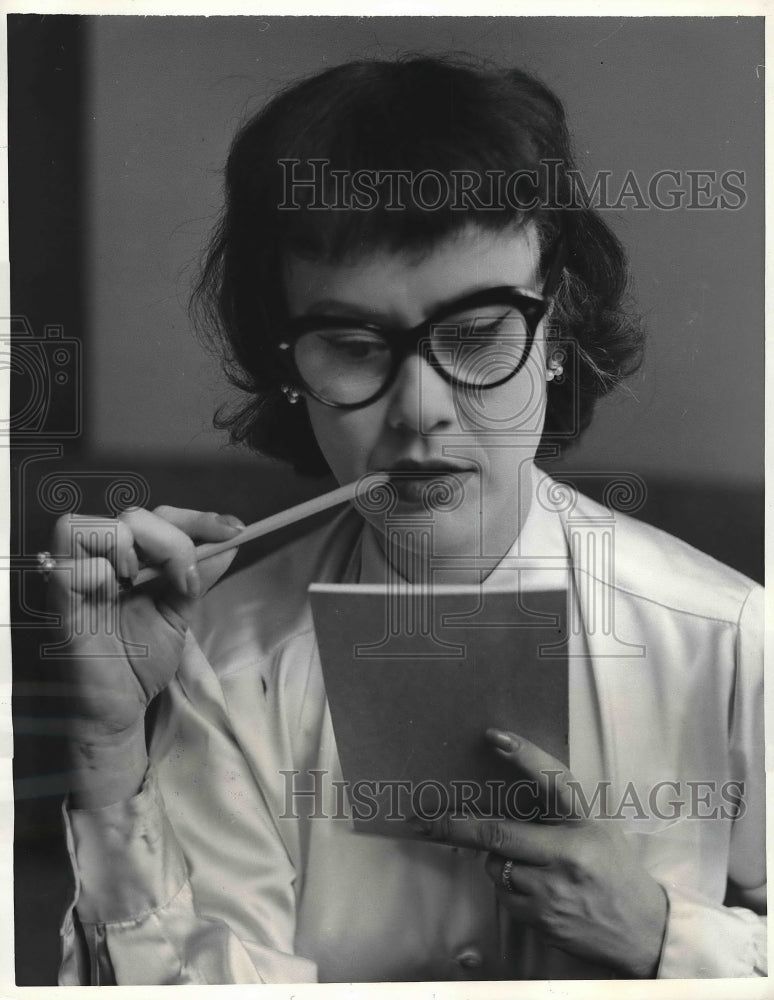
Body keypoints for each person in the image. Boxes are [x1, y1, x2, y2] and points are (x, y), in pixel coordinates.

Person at [46, 56, 764, 984]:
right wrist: (107, 751)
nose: (420, 409)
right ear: (289, 370)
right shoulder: (223, 666)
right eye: (352, 345)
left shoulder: (732, 639)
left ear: (558, 334)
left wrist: (661, 935)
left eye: (475, 335)